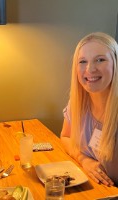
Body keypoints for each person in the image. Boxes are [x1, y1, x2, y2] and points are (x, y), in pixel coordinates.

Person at [60, 32, 118, 187]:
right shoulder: (78, 101)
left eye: (100, 59)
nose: (90, 69)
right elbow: (65, 137)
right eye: (83, 61)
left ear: (115, 63)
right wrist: (85, 161)